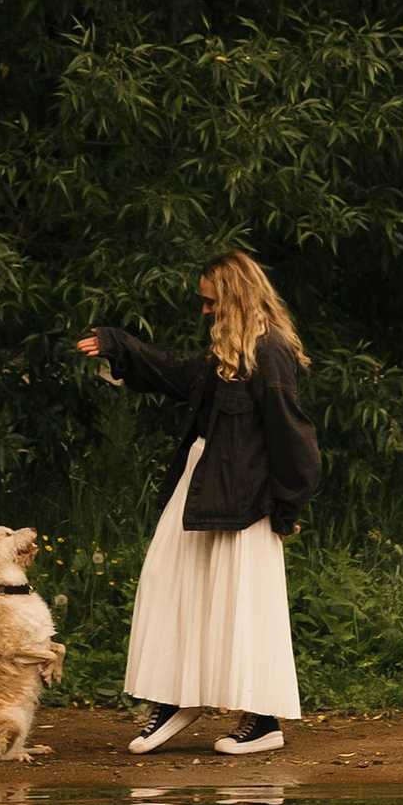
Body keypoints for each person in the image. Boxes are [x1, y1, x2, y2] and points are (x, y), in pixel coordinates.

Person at [75, 251, 322, 759]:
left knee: (243, 605)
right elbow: (175, 374)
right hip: (201, 485)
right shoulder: (224, 353)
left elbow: (294, 438)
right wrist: (119, 346)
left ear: (233, 296)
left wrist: (286, 506)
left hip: (246, 498)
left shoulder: (269, 352)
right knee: (168, 587)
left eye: (210, 301)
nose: (205, 311)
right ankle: (173, 698)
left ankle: (262, 720)